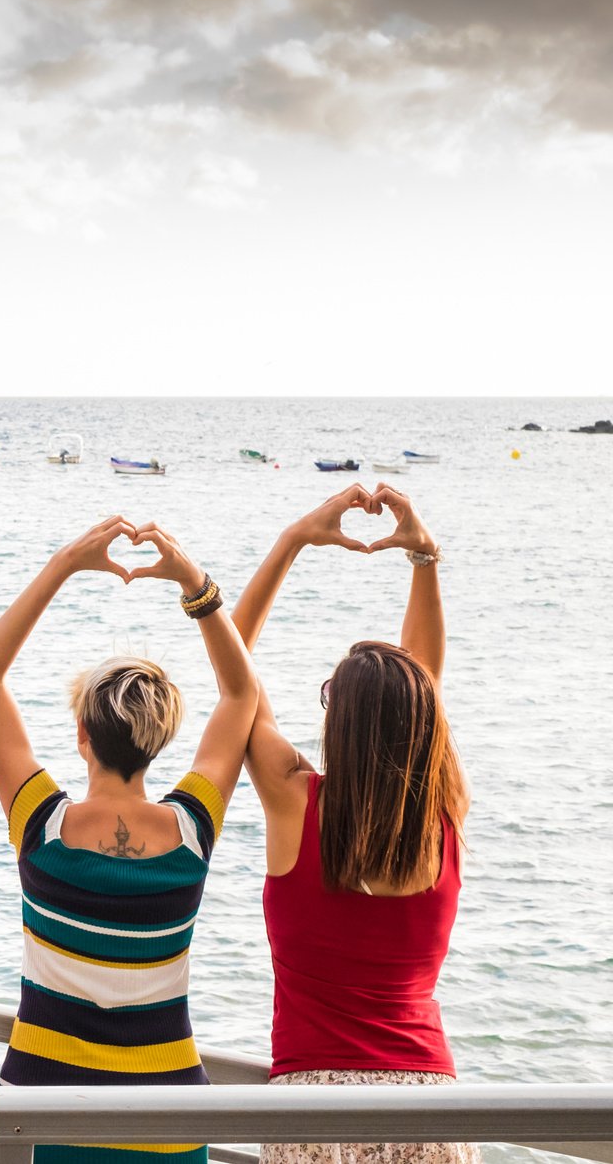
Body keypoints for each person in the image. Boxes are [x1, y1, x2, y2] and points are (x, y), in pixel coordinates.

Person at [0, 516, 259, 1164]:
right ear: (156, 743)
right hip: (170, 1118)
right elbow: (242, 692)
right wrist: (195, 584)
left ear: (81, 736)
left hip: (41, 1116)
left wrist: (66, 562)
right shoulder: (190, 834)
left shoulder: (41, 826)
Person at [234, 485, 473, 1164]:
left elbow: (234, 672)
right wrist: (425, 558)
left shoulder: (293, 802)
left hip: (314, 1110)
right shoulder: (440, 818)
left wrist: (293, 539)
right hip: (431, 1105)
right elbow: (421, 687)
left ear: (336, 719)